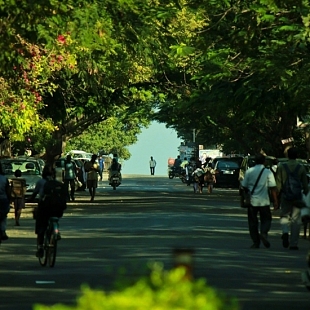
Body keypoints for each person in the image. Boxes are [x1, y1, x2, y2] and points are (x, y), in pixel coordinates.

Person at [241, 153, 278, 249]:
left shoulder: (249, 171)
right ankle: (264, 233)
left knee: (253, 222)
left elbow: (244, 186)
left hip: (252, 201)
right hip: (264, 201)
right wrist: (275, 201)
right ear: (264, 162)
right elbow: (273, 188)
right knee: (267, 219)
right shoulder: (268, 172)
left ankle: (256, 242)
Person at [275, 147, 309, 250]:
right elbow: (305, 185)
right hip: (297, 196)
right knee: (296, 220)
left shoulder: (281, 166)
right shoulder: (301, 167)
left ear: (287, 155)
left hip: (286, 196)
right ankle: (294, 244)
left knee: (284, 215)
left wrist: (277, 196)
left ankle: (285, 232)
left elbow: (278, 184)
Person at [29, 164, 65, 257]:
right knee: (55, 217)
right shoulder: (57, 183)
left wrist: (30, 199)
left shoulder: (40, 182)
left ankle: (40, 247)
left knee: (41, 227)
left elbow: (35, 193)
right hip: (58, 208)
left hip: (44, 207)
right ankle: (56, 231)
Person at [0, 163, 11, 243]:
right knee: (4, 217)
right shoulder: (4, 179)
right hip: (3, 201)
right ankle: (3, 231)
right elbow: (8, 192)